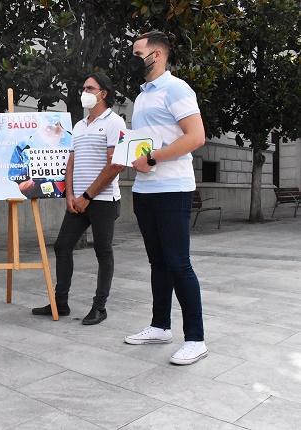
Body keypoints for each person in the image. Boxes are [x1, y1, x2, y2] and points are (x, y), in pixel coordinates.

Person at [123, 31, 208, 365]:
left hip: (173, 189)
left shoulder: (175, 88)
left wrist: (154, 158)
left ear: (156, 55)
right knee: (157, 262)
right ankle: (160, 326)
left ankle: (196, 338)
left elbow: (197, 136)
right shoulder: (143, 94)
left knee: (178, 263)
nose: (131, 58)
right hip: (145, 190)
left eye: (136, 52)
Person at [32, 73, 126, 324]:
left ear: (103, 93)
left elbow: (115, 165)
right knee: (63, 246)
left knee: (103, 252)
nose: (83, 91)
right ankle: (60, 302)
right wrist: (70, 194)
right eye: (83, 87)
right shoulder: (80, 125)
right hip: (78, 200)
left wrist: (87, 196)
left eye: (89, 87)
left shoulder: (114, 122)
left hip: (104, 201)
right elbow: (71, 161)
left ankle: (100, 307)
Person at [8, 115, 71, 198]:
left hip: (73, 205)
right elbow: (19, 186)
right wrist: (35, 180)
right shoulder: (25, 145)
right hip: (37, 205)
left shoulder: (74, 141)